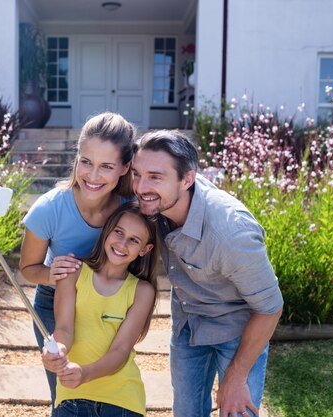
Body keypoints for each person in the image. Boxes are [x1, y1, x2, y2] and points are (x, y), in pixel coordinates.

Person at [130, 130, 284, 417]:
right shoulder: (156, 200)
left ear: (187, 180)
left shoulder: (231, 233)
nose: (140, 187)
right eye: (137, 174)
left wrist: (236, 377)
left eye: (155, 176)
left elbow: (271, 309)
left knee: (237, 411)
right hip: (188, 323)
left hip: (238, 331)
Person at [19, 112, 136, 413]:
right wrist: (49, 274)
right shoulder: (48, 209)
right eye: (86, 162)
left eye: (106, 167)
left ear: (124, 168)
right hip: (54, 302)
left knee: (106, 388)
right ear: (77, 158)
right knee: (63, 393)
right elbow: (28, 269)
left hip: (107, 304)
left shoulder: (130, 209)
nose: (93, 176)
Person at [42, 202, 159, 417]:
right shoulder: (73, 272)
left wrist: (85, 373)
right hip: (72, 397)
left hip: (123, 400)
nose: (122, 244)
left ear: (145, 249)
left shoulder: (142, 291)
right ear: (107, 230)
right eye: (119, 232)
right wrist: (56, 350)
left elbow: (120, 351)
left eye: (134, 240)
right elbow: (64, 328)